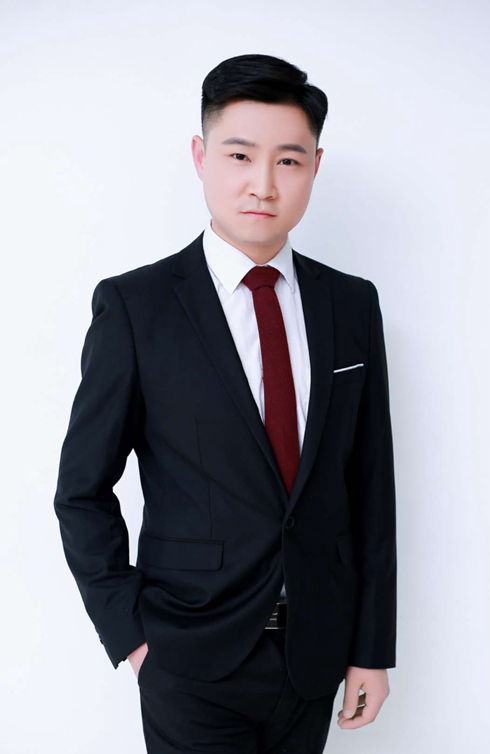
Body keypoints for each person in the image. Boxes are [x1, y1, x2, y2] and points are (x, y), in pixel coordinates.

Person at [53, 53, 397, 753]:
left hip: (314, 657)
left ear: (315, 167)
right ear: (200, 156)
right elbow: (81, 492)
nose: (262, 184)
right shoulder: (136, 307)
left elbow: (370, 486)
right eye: (239, 155)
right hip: (187, 660)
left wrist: (371, 649)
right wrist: (132, 638)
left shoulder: (350, 304)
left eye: (288, 161)